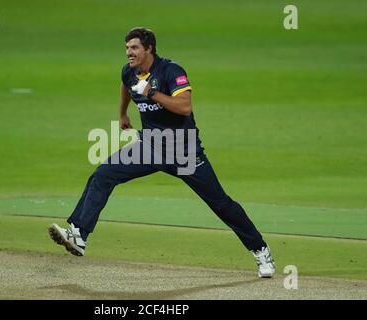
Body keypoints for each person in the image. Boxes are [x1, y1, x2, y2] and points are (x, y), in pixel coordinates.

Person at [48, 27, 275, 278]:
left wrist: (152, 93)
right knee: (103, 174)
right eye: (126, 48)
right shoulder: (129, 71)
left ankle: (261, 250)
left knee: (221, 204)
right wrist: (123, 113)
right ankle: (79, 234)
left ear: (149, 49)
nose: (129, 53)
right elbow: (126, 85)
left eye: (134, 48)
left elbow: (185, 107)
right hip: (151, 147)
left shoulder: (171, 71)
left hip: (183, 151)